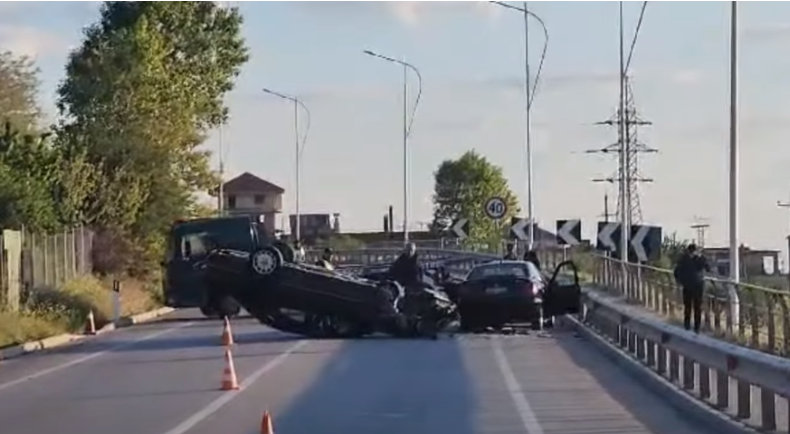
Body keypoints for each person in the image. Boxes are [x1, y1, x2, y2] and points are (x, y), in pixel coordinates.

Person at [673, 244, 710, 333]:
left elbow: (676, 272)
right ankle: (697, 328)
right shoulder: (699, 259)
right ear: (695, 251)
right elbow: (708, 268)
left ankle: (687, 326)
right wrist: (702, 256)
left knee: (688, 307)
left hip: (687, 286)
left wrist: (680, 282)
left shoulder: (683, 259)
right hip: (698, 286)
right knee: (697, 307)